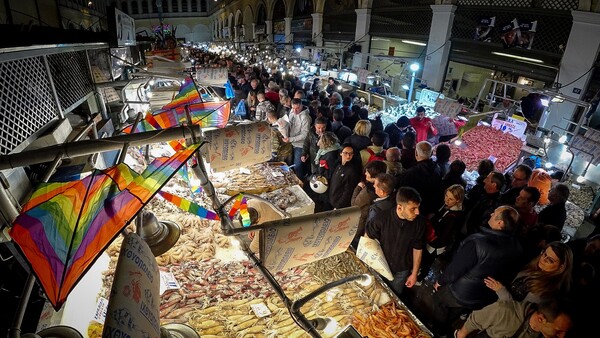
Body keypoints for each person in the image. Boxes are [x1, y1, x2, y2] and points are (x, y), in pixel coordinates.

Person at [432, 206, 524, 336]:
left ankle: (437, 330)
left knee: (440, 302)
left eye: (495, 213)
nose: (491, 213)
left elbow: (456, 269)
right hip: (481, 295)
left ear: (500, 223)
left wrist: (440, 282)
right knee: (456, 311)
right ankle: (446, 327)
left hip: (460, 291)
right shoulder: (518, 248)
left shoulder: (478, 242)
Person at [366, 187, 426, 296]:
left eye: (418, 208)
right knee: (374, 294)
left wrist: (414, 274)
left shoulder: (419, 223)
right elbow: (367, 237)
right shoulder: (382, 218)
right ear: (399, 207)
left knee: (393, 297)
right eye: (413, 209)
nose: (417, 212)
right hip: (381, 266)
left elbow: (418, 248)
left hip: (401, 271)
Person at [485, 241, 572, 305]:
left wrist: (501, 290)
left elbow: (519, 313)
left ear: (561, 267)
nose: (543, 259)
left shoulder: (546, 291)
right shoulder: (532, 269)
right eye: (544, 254)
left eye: (550, 260)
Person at [456, 298, 573, 338]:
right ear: (541, 319)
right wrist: (461, 335)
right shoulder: (504, 311)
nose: (562, 336)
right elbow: (475, 320)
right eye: (558, 331)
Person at [419, 184, 465, 282]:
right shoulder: (446, 205)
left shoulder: (454, 217)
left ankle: (420, 278)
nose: (446, 200)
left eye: (451, 199)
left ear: (458, 200)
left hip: (435, 244)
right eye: (446, 196)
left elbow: (444, 236)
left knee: (427, 261)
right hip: (432, 239)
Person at [397, 141, 443, 216]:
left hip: (415, 211)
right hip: (431, 209)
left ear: (416, 153)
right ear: (431, 154)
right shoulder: (438, 169)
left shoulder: (409, 174)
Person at [351, 161, 388, 244]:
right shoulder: (386, 188)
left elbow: (354, 204)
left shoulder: (367, 192)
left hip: (361, 226)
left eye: (367, 172)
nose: (365, 173)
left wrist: (358, 187)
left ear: (373, 174)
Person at [328, 144, 361, 210]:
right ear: (340, 153)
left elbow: (348, 191)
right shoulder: (338, 165)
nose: (348, 156)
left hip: (339, 204)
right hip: (331, 199)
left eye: (351, 153)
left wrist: (338, 206)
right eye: (346, 153)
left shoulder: (352, 170)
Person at [286, 98, 311, 180]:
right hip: (290, 141)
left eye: (297, 108)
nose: (295, 111)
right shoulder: (292, 112)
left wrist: (290, 139)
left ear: (301, 106)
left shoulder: (305, 118)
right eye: (293, 108)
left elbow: (305, 134)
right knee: (289, 164)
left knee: (297, 165)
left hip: (300, 144)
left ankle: (300, 182)